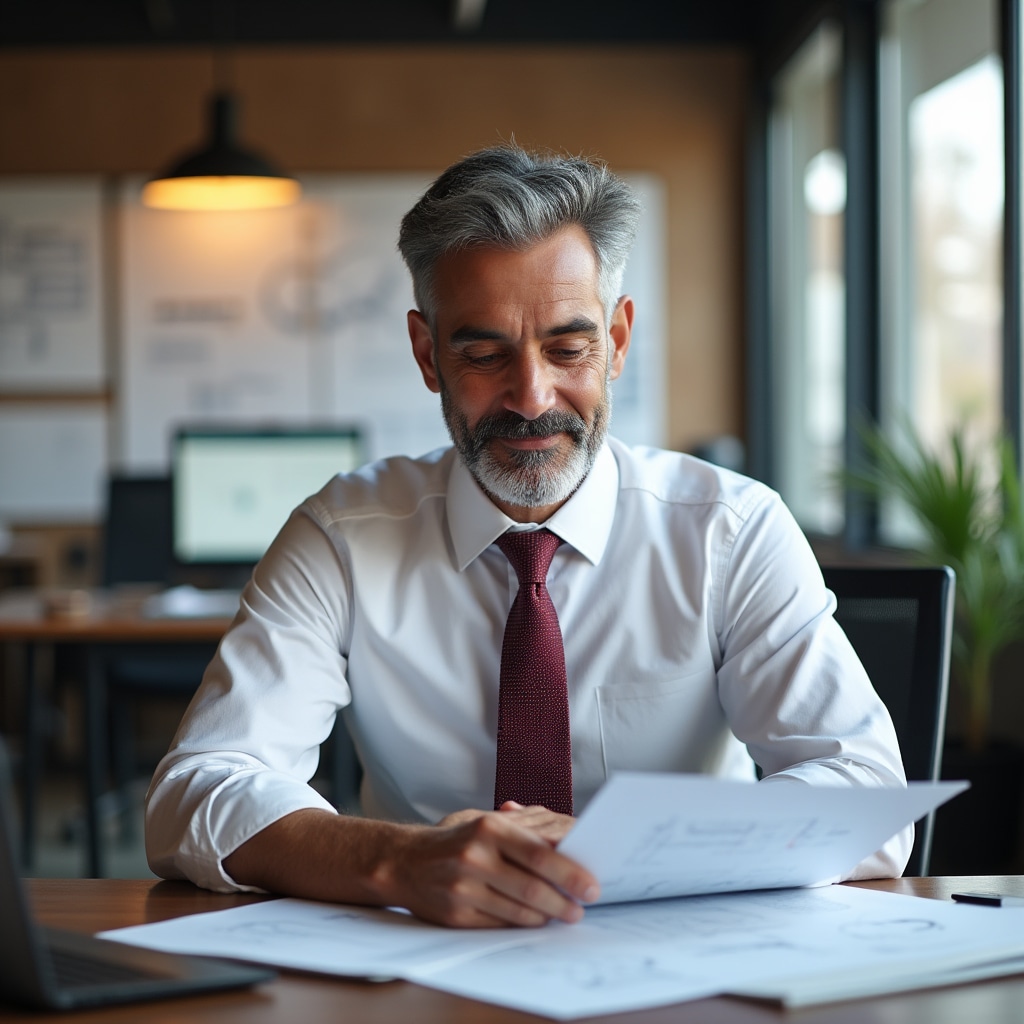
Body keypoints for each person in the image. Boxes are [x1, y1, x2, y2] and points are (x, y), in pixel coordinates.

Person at [146, 143, 910, 929]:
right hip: (427, 958)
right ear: (427, 353)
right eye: (484, 354)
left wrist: (617, 856)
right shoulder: (340, 535)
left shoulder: (731, 529)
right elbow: (197, 791)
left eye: (568, 348)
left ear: (616, 341)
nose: (530, 396)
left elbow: (866, 795)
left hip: (689, 964)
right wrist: (397, 861)